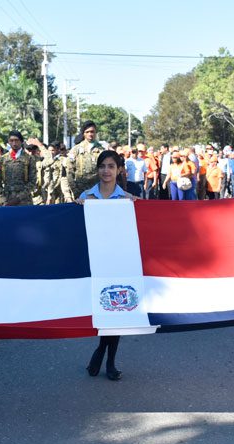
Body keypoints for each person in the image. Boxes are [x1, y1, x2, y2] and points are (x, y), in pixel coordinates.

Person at [76, 150, 134, 381]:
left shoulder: (127, 200)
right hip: (94, 263)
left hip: (119, 263)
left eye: (111, 166)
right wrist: (77, 208)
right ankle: (101, 352)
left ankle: (107, 360)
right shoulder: (87, 197)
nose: (106, 171)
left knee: (117, 311)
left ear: (119, 170)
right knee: (103, 310)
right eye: (102, 166)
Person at [0, 130, 36, 206]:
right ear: (8, 142)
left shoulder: (29, 159)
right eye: (11, 141)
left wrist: (19, 198)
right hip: (6, 201)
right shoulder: (2, 160)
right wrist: (3, 198)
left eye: (16, 140)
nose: (14, 143)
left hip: (24, 201)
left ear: (21, 141)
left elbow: (32, 182)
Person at [66, 121, 106, 197]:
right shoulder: (75, 149)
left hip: (97, 190)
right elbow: (70, 172)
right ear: (83, 133)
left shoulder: (102, 150)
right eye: (87, 132)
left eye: (92, 132)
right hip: (80, 191)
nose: (90, 134)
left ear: (95, 133)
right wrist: (75, 191)